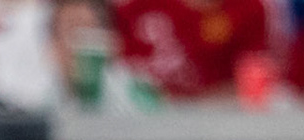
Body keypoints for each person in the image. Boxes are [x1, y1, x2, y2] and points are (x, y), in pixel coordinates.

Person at [110, 0, 269, 100]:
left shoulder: (247, 9)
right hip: (140, 116)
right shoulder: (137, 9)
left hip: (214, 121)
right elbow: (112, 70)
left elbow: (252, 83)